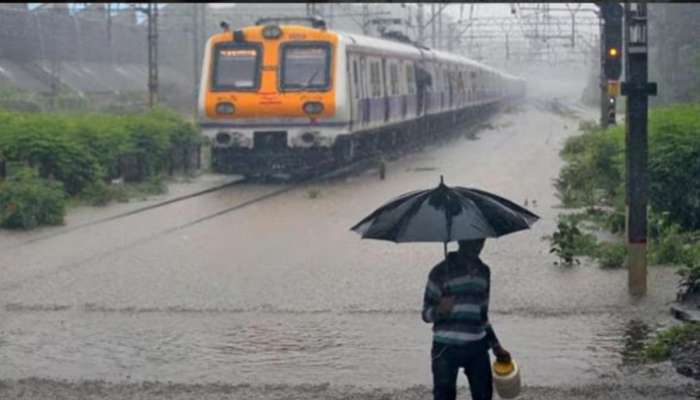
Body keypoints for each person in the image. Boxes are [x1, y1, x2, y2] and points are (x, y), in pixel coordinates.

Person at [422, 239, 511, 400]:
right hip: (445, 348)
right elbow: (425, 314)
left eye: (480, 240)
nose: (477, 244)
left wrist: (496, 347)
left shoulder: (484, 271)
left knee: (484, 396)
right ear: (460, 240)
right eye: (472, 240)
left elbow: (482, 316)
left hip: (477, 346)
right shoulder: (439, 272)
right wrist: (440, 310)